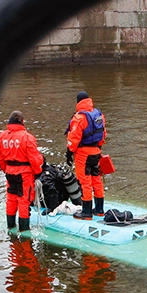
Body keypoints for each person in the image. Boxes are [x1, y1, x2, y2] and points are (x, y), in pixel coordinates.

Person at [0, 110, 45, 234]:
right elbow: (34, 159)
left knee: (11, 199)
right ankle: (24, 231)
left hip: (10, 172)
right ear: (22, 121)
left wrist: (5, 169)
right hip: (24, 173)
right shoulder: (27, 137)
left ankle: (10, 227)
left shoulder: (2, 136)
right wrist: (38, 171)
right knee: (24, 200)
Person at [66, 91, 107, 220]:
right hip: (96, 152)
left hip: (83, 154)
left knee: (85, 182)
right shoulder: (99, 115)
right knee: (97, 180)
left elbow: (74, 138)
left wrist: (69, 152)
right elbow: (103, 133)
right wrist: (98, 147)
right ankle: (99, 209)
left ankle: (87, 212)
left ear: (78, 102)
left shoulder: (79, 118)